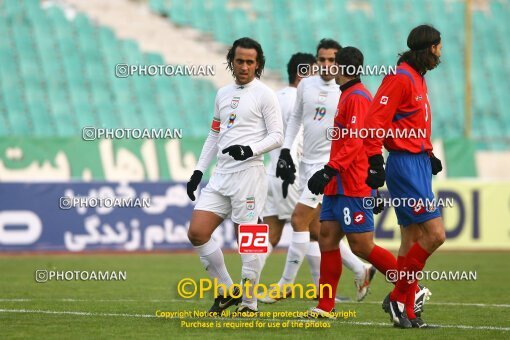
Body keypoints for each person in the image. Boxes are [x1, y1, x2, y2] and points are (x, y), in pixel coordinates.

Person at [265, 39, 375, 304]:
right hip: (306, 165)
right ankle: (356, 273)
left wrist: (369, 170)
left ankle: (285, 285)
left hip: (331, 169)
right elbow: (294, 120)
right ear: (316, 61)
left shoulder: (349, 91)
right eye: (322, 60)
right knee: (319, 233)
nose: (327, 65)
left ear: (340, 62)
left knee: (298, 220)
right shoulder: (306, 85)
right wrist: (285, 152)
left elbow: (359, 136)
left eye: (332, 60)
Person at [186, 37, 283, 314]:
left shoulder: (265, 94)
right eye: (239, 61)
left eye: (250, 62)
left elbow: (278, 136)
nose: (244, 66)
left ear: (258, 64)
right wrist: (197, 171)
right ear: (231, 61)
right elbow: (215, 133)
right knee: (197, 232)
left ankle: (249, 304)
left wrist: (249, 149)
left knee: (247, 240)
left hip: (249, 175)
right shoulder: (223, 94)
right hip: (222, 175)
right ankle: (229, 290)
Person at [306, 46, 400, 318]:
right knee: (327, 239)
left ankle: (411, 286)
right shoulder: (348, 95)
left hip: (351, 182)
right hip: (339, 184)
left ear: (340, 67)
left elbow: (358, 141)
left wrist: (330, 170)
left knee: (361, 246)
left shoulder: (358, 97)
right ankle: (325, 306)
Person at [364, 25, 445, 328]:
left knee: (410, 240)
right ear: (428, 48)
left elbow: (411, 124)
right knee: (435, 234)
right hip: (404, 165)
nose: (440, 53)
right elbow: (375, 120)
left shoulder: (418, 79)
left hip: (418, 162)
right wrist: (374, 160)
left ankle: (408, 311)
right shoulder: (400, 78)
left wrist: (429, 152)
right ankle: (398, 296)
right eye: (438, 47)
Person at [259, 52, 315, 271]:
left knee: (271, 234)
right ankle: (356, 271)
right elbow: (297, 141)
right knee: (315, 230)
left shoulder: (275, 97)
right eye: (314, 72)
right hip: (290, 176)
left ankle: (248, 285)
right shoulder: (299, 101)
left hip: (271, 173)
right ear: (302, 74)